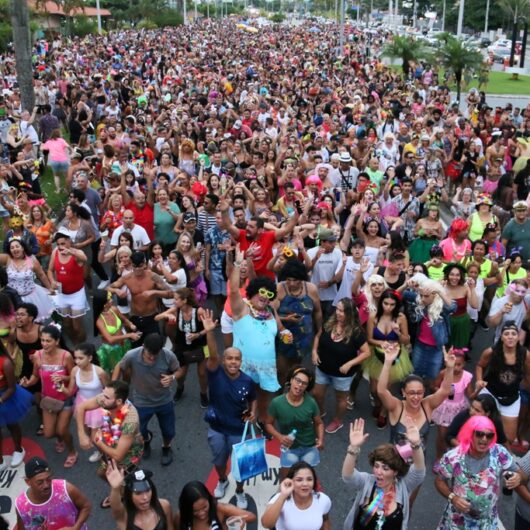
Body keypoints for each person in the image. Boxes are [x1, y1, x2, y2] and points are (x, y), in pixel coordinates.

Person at [201, 308, 257, 509]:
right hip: (216, 428)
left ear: (241, 362)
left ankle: (240, 491)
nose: (233, 362)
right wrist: (209, 331)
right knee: (218, 460)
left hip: (238, 431)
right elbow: (213, 355)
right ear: (224, 361)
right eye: (229, 358)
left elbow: (253, 399)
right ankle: (223, 480)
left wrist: (254, 412)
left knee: (241, 466)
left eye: (237, 359)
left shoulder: (247, 381)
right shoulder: (216, 373)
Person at [229, 246, 286, 421]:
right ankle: (237, 424)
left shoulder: (271, 311)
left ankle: (262, 423)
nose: (265, 296)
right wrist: (238, 264)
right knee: (239, 398)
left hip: (266, 367)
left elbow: (281, 330)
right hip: (243, 365)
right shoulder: (242, 308)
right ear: (253, 292)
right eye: (261, 292)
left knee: (263, 398)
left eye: (269, 294)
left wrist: (286, 334)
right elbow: (232, 290)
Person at [434, 415, 521, 529]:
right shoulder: (453, 457)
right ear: (470, 434)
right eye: (479, 434)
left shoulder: (499, 453)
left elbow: (520, 474)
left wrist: (518, 477)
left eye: (489, 435)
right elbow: (439, 481)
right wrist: (453, 498)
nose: (484, 439)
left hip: (487, 522)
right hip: (457, 521)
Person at [341, 418, 425, 530]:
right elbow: (348, 476)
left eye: (385, 468)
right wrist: (353, 448)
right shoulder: (367, 481)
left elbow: (419, 472)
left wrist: (416, 444)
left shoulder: (403, 486)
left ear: (395, 471)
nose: (378, 472)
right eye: (376, 466)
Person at [114, 333, 182, 466]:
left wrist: (172, 378)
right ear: (143, 346)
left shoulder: (168, 356)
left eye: (155, 355)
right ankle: (146, 441)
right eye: (148, 354)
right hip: (141, 401)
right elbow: (119, 366)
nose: (151, 357)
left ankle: (166, 448)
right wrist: (113, 386)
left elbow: (178, 371)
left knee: (169, 431)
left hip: (164, 400)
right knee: (139, 430)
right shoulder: (131, 355)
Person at [76, 380, 144, 508]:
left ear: (118, 401)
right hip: (109, 443)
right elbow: (81, 407)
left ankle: (127, 498)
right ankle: (119, 491)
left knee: (128, 479)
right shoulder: (106, 400)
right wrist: (81, 434)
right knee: (102, 473)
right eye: (102, 393)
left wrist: (99, 442)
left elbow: (118, 455)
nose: (101, 399)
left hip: (128, 454)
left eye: (106, 397)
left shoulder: (130, 420)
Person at [20, 324, 78, 468]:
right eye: (42, 340)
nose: (44, 344)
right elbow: (35, 376)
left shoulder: (66, 356)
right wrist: (28, 382)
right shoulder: (38, 356)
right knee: (48, 433)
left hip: (65, 399)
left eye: (48, 341)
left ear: (57, 341)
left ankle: (72, 452)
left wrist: (62, 379)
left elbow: (73, 376)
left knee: (62, 430)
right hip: (48, 400)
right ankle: (60, 439)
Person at [312, 298, 370, 434]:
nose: (338, 313)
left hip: (342, 374)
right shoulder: (328, 323)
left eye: (342, 311)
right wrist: (314, 351)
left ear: (350, 313)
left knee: (341, 399)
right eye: (337, 309)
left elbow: (367, 352)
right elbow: (317, 337)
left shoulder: (356, 332)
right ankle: (320, 413)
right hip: (322, 368)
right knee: (316, 393)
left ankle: (337, 421)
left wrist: (350, 363)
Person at [475, 320, 530, 447]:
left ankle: (497, 454)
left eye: (513, 334)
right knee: (478, 428)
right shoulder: (491, 352)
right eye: (506, 334)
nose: (510, 336)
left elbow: (528, 373)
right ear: (501, 337)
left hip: (511, 397)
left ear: (518, 337)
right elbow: (479, 366)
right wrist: (479, 380)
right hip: (490, 393)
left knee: (509, 437)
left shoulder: (525, 354)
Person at [265, 366, 324, 480]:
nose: (300, 385)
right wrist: (280, 437)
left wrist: (321, 439)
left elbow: (319, 423)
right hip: (289, 448)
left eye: (304, 383)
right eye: (298, 380)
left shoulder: (311, 403)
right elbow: (268, 424)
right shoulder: (277, 403)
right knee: (287, 478)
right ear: (291, 380)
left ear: (307, 387)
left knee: (305, 480)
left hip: (309, 447)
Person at [276, 260, 322, 386]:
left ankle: (292, 392)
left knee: (295, 369)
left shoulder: (311, 289)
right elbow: (270, 314)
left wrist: (320, 330)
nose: (291, 283)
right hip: (284, 336)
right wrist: (287, 319)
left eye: (295, 280)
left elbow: (317, 311)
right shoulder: (280, 288)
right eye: (288, 279)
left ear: (302, 278)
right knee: (282, 371)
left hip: (304, 337)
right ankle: (280, 396)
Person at [109, 251, 172, 344]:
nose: (138, 269)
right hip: (135, 317)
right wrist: (116, 291)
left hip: (152, 317)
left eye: (140, 266)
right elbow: (108, 288)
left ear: (145, 264)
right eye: (135, 266)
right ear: (131, 264)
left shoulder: (153, 276)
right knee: (136, 347)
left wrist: (154, 292)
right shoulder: (127, 278)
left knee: (155, 346)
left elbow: (171, 293)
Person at [15, 456, 91, 530]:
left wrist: (75, 528)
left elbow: (86, 506)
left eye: (48, 479)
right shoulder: (21, 506)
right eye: (40, 482)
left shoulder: (66, 489)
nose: (46, 485)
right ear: (28, 482)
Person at [62, 342, 108, 463]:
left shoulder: (100, 372)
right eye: (75, 358)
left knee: (94, 437)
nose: (77, 361)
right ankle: (101, 451)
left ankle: (105, 455)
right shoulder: (74, 371)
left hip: (97, 405)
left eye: (80, 358)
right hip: (81, 403)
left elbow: (108, 390)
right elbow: (70, 392)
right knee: (87, 430)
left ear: (90, 358)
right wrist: (61, 388)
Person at [432, 349, 475, 460]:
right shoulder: (444, 373)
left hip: (459, 408)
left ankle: (450, 456)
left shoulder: (467, 376)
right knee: (442, 436)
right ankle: (439, 457)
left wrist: (479, 389)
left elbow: (470, 395)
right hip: (444, 407)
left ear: (464, 364)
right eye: (454, 364)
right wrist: (442, 390)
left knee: (456, 434)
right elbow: (433, 386)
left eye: (459, 365)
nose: (456, 368)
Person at [262, 462, 331, 530]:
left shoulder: (323, 499)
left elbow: (325, 520)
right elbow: (266, 524)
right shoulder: (279, 497)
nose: (305, 484)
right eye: (299, 480)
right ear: (290, 481)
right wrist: (283, 495)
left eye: (309, 479)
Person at [106, 462, 174, 530]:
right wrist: (115, 489)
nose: (145, 497)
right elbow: (116, 508)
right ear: (129, 495)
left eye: (147, 491)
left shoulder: (164, 505)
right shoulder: (124, 516)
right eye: (138, 493)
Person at [47, 232, 89, 344]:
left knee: (77, 327)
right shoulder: (55, 252)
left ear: (69, 241)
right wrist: (52, 281)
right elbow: (50, 270)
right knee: (66, 323)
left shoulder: (77, 253)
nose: (61, 247)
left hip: (76, 295)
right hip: (61, 294)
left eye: (63, 243)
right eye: (58, 244)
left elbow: (84, 259)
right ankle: (74, 342)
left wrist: (71, 252)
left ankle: (81, 346)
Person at [0, 339, 32, 469]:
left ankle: (19, 450)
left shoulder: (5, 363)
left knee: (12, 424)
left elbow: (12, 388)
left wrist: (1, 400)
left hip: (6, 396)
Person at [174, 480, 256, 530]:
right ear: (187, 509)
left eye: (205, 507)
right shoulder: (181, 517)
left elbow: (251, 516)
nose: (202, 513)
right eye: (195, 511)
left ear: (209, 499)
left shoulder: (219, 509)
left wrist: (238, 522)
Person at [94, 290, 142, 373]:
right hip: (112, 350)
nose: (112, 300)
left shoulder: (114, 309)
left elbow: (123, 319)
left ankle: (126, 385)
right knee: (115, 372)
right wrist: (129, 335)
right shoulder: (99, 320)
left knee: (128, 369)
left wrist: (130, 324)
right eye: (109, 300)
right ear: (104, 304)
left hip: (124, 344)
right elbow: (110, 339)